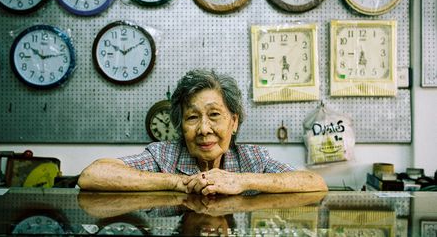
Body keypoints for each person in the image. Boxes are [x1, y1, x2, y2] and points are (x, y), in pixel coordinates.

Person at [77, 69, 328, 195]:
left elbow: (315, 183)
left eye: (215, 115)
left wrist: (240, 180)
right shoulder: (164, 156)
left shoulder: (252, 159)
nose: (204, 129)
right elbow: (92, 175)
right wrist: (177, 181)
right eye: (193, 117)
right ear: (180, 124)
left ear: (234, 122)